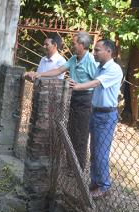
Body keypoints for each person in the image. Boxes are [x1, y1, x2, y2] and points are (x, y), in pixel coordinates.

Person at [33, 31, 98, 171]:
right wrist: (40, 74)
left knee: (80, 134)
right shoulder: (74, 59)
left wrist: (80, 86)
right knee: (70, 132)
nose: (72, 45)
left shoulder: (90, 60)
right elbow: (58, 71)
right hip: (73, 97)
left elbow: (96, 81)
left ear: (81, 44)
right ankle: (70, 165)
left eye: (74, 43)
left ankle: (78, 168)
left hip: (85, 99)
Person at [69, 39, 123, 198]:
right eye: (94, 50)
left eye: (98, 50)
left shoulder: (114, 69)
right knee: (93, 150)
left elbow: (97, 83)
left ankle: (105, 186)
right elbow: (93, 80)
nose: (94, 52)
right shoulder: (100, 67)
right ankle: (95, 183)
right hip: (96, 112)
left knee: (101, 152)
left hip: (106, 115)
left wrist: (78, 86)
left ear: (109, 51)